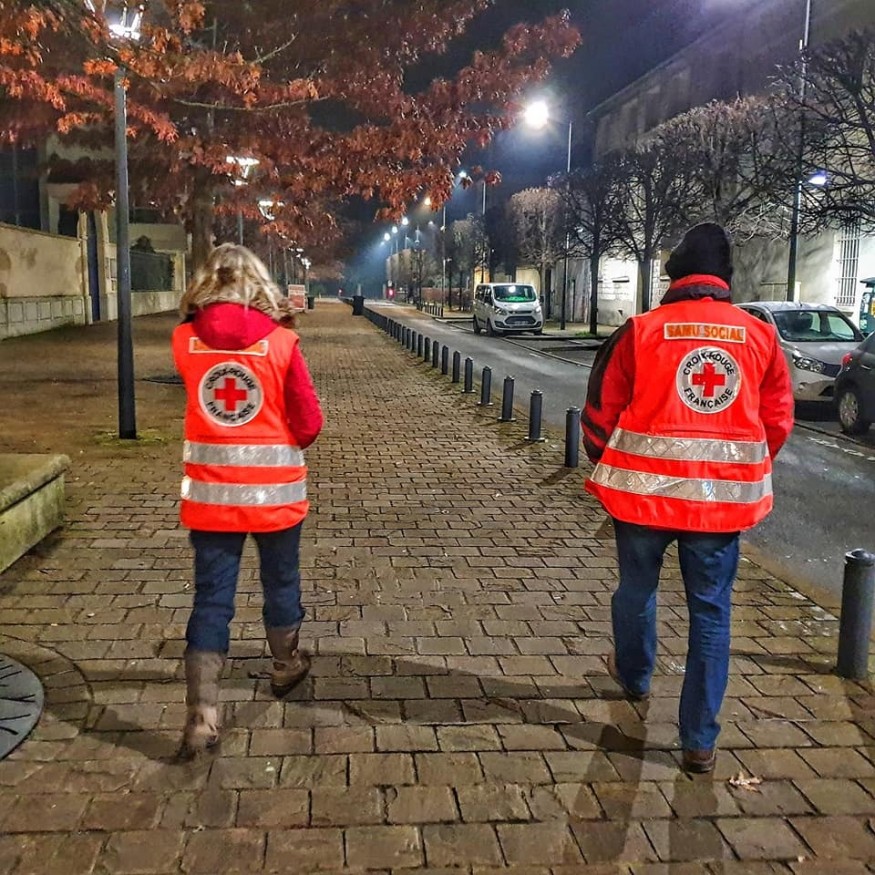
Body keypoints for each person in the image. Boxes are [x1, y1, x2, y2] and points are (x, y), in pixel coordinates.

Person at [581, 223, 794, 774]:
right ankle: (698, 740)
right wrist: (736, 468)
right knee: (712, 613)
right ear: (725, 276)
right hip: (719, 505)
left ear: (675, 274)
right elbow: (776, 421)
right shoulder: (759, 336)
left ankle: (634, 676)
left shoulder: (640, 331)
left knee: (636, 590)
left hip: (642, 499)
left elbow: (600, 411)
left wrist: (608, 462)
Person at [172, 243, 323, 758]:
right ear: (259, 283)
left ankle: (202, 714)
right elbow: (309, 424)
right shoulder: (281, 343)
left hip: (211, 498)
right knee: (280, 583)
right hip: (275, 497)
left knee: (212, 599)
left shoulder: (185, 341)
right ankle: (285, 665)